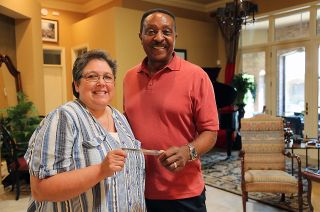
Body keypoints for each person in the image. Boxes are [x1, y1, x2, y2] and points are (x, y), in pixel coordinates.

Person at [24, 50, 146, 211]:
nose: (101, 83)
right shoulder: (63, 118)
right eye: (92, 76)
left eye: (107, 77)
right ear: (76, 84)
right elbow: (40, 190)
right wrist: (100, 170)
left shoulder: (120, 118)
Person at [123, 8, 219, 212]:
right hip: (137, 189)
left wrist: (188, 152)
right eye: (151, 31)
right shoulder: (129, 77)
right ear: (140, 36)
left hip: (183, 193)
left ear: (175, 36)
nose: (159, 37)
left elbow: (210, 132)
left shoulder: (197, 76)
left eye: (166, 31)